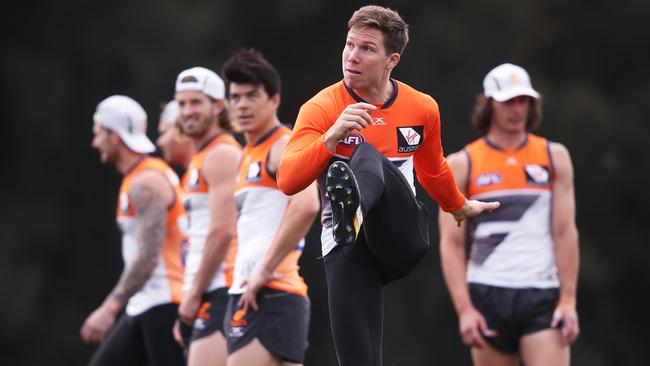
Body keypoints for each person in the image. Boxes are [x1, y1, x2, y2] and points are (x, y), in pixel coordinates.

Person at [276, 5, 498, 366]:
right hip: (346, 243)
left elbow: (433, 169)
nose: (352, 56)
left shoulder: (421, 107)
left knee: (365, 154)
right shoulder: (321, 107)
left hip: (399, 234)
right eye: (349, 45)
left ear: (391, 60)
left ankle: (356, 208)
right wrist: (331, 137)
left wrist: (459, 206)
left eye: (367, 49)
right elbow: (287, 179)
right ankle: (350, 219)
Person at [438, 63, 580, 366]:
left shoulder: (554, 157)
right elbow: (451, 243)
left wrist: (568, 300)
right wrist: (464, 310)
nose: (517, 109)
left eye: (523, 101)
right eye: (508, 101)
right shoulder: (463, 163)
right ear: (489, 104)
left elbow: (565, 232)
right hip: (488, 292)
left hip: (541, 293)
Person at [221, 49, 320, 366]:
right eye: (236, 97)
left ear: (274, 100)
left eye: (252, 95)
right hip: (256, 290)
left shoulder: (281, 144)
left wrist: (263, 271)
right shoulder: (249, 151)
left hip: (270, 290)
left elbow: (306, 205)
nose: (242, 105)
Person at [82, 95, 186, 366]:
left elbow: (149, 256)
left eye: (98, 134)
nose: (95, 143)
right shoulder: (139, 178)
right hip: (146, 302)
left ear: (115, 137)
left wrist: (109, 307)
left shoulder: (146, 182)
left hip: (165, 301)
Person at [174, 67, 243, 366]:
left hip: (222, 287)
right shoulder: (201, 157)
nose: (187, 111)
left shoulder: (221, 154)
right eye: (182, 103)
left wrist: (193, 295)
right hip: (209, 288)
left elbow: (222, 232)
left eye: (196, 103)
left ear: (217, 106)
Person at [157, 99, 194, 173]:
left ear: (183, 133)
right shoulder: (193, 173)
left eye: (163, 133)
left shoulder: (207, 170)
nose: (159, 142)